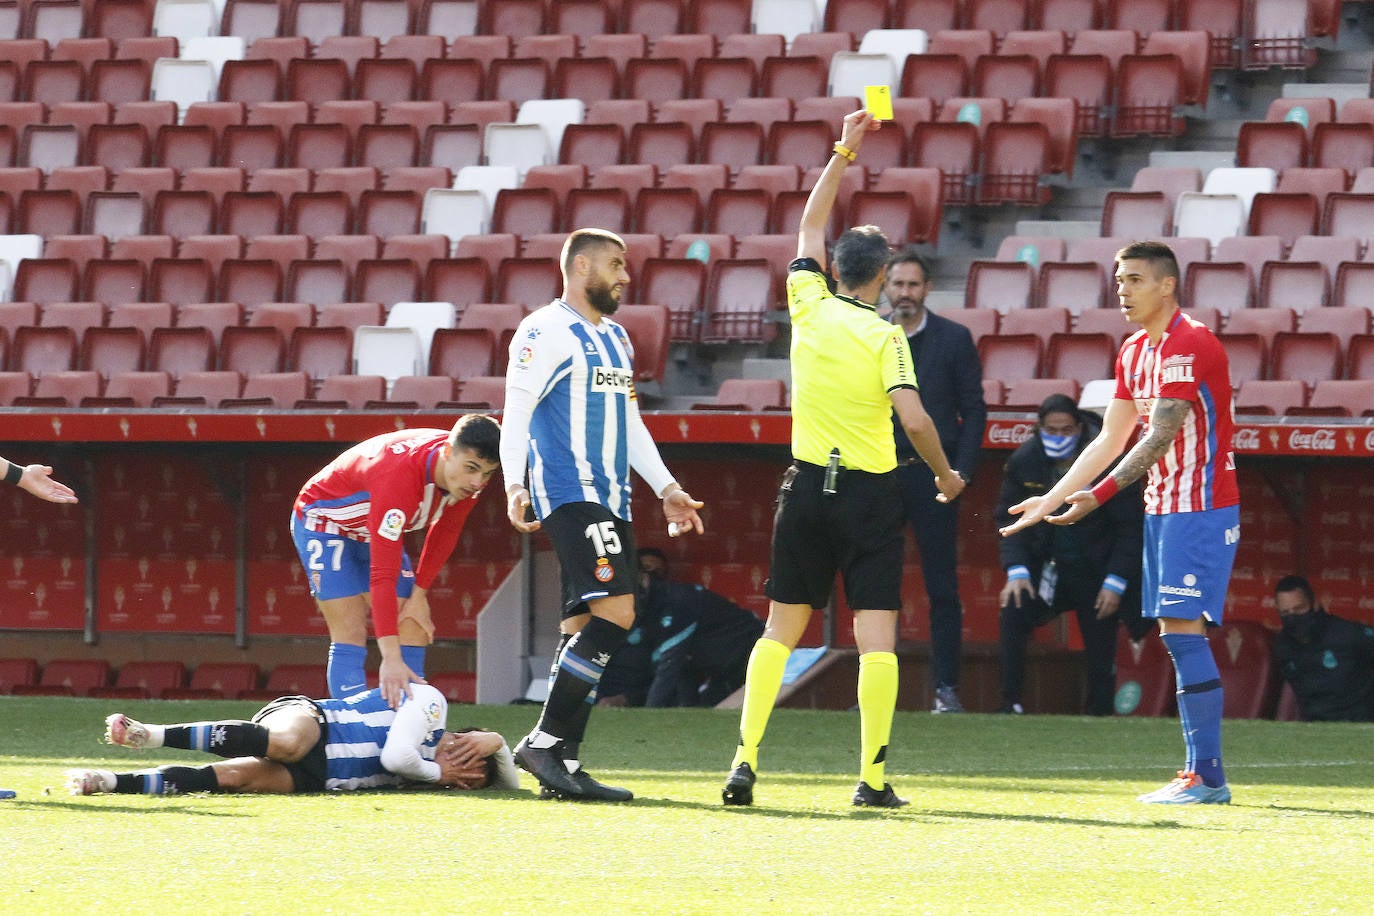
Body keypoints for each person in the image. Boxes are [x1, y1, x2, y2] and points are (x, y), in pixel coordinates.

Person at [721, 110, 965, 810]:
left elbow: (805, 225)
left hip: (803, 489)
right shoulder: (885, 336)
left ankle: (745, 760)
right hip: (869, 498)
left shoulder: (807, 303)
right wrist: (946, 476)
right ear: (885, 278)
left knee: (779, 629)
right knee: (876, 637)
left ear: (832, 269)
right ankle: (873, 779)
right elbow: (914, 418)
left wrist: (845, 151)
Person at [1001, 240, 1240, 805]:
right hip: (1163, 506)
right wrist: (1051, 498)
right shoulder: (1134, 351)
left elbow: (1158, 436)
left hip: (1200, 506)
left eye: (1134, 279)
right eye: (1118, 278)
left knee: (1184, 633)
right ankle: (1201, 774)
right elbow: (1110, 437)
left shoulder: (1190, 344)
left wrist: (1097, 496)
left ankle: (1206, 776)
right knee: (1175, 633)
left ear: (1166, 285)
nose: (1122, 289)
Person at [501, 227, 706, 802]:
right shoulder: (544, 330)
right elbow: (515, 411)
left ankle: (562, 761)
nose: (624, 275)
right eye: (615, 264)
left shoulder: (616, 337)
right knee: (620, 610)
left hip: (613, 497)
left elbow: (631, 423)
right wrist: (514, 483)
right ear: (581, 265)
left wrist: (666, 487)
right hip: (570, 491)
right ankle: (543, 743)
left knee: (581, 629)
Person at [292, 414, 501, 709]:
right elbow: (382, 576)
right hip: (325, 522)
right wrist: (390, 658)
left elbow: (446, 530)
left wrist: (420, 595)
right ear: (447, 452)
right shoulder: (400, 478)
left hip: (374, 527)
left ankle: (406, 722)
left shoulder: (465, 476)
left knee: (412, 621)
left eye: (488, 474)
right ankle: (354, 728)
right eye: (472, 469)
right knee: (350, 628)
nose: (478, 482)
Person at [66, 683, 520, 796]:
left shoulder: (426, 778)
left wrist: (449, 774)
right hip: (316, 721)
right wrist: (497, 740)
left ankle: (107, 781)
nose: (462, 768)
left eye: (471, 777)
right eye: (468, 754)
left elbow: (512, 788)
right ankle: (151, 735)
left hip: (322, 777)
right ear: (464, 735)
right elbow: (397, 754)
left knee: (232, 778)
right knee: (287, 743)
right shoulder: (432, 704)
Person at [995, 394, 1145, 716]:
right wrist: (1017, 570)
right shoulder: (1025, 459)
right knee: (1014, 606)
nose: (1059, 437)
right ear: (1039, 428)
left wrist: (1116, 581)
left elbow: (1131, 528)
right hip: (1048, 565)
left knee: (1102, 632)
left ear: (1079, 427)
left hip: (1096, 568)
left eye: (1066, 431)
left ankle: (1100, 713)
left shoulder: (1107, 458)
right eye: (1051, 430)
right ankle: (1011, 704)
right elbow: (1008, 516)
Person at [885, 248, 986, 713]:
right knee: (873, 585)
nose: (904, 293)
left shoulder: (955, 338)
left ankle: (946, 689)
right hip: (879, 476)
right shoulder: (872, 335)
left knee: (942, 587)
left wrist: (960, 473)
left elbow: (975, 411)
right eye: (898, 284)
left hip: (936, 479)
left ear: (927, 289)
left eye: (913, 284)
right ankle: (876, 690)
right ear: (886, 286)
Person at [636, 547, 765, 708]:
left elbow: (670, 664)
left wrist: (649, 713)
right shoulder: (648, 608)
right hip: (712, 667)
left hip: (749, 660)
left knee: (719, 715)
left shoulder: (680, 599)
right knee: (694, 709)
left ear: (644, 578)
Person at [1272, 574, 1374, 722]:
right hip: (1314, 729)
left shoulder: (1349, 634)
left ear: (1315, 604)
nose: (1292, 618)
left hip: (1359, 726)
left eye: (1299, 609)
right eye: (1285, 613)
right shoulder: (1283, 645)